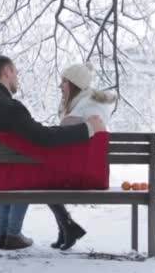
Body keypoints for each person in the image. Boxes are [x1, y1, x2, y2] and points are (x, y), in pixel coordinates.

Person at [0, 55, 106, 250]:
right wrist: (89, 128)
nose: (17, 77)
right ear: (6, 72)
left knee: (15, 167)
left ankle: (3, 234)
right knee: (31, 170)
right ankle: (13, 234)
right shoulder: (9, 107)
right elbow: (44, 138)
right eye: (15, 72)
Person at [48, 62, 117, 250]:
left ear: (74, 84)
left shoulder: (90, 106)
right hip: (83, 167)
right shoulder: (82, 104)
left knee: (42, 180)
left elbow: (92, 132)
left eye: (64, 82)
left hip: (86, 172)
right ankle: (66, 227)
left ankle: (67, 226)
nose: (60, 86)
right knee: (44, 178)